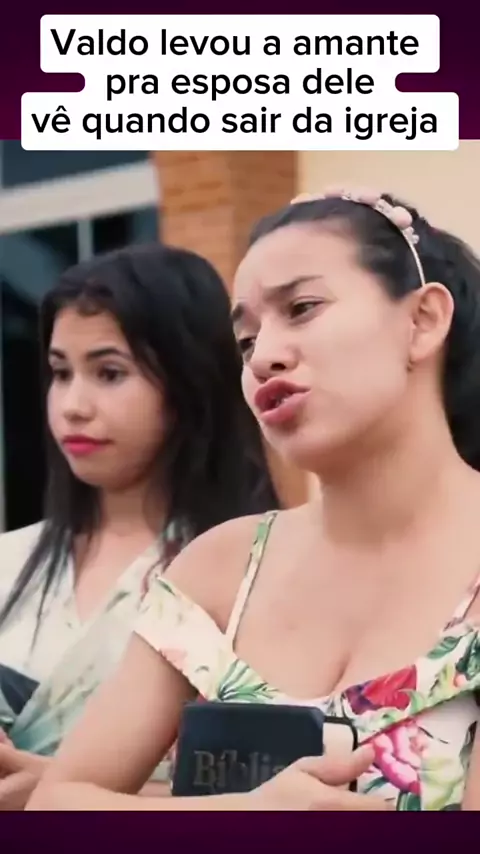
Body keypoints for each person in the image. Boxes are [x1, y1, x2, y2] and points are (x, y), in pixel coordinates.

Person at [27, 186, 480, 811]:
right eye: (245, 340)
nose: (264, 356)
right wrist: (240, 814)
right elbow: (58, 803)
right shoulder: (219, 570)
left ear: (423, 320)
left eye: (302, 308)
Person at [0, 242, 279, 809]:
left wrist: (64, 790)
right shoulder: (10, 560)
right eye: (60, 372)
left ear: (187, 381)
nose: (73, 405)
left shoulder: (256, 571)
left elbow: (274, 788)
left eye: (109, 373)